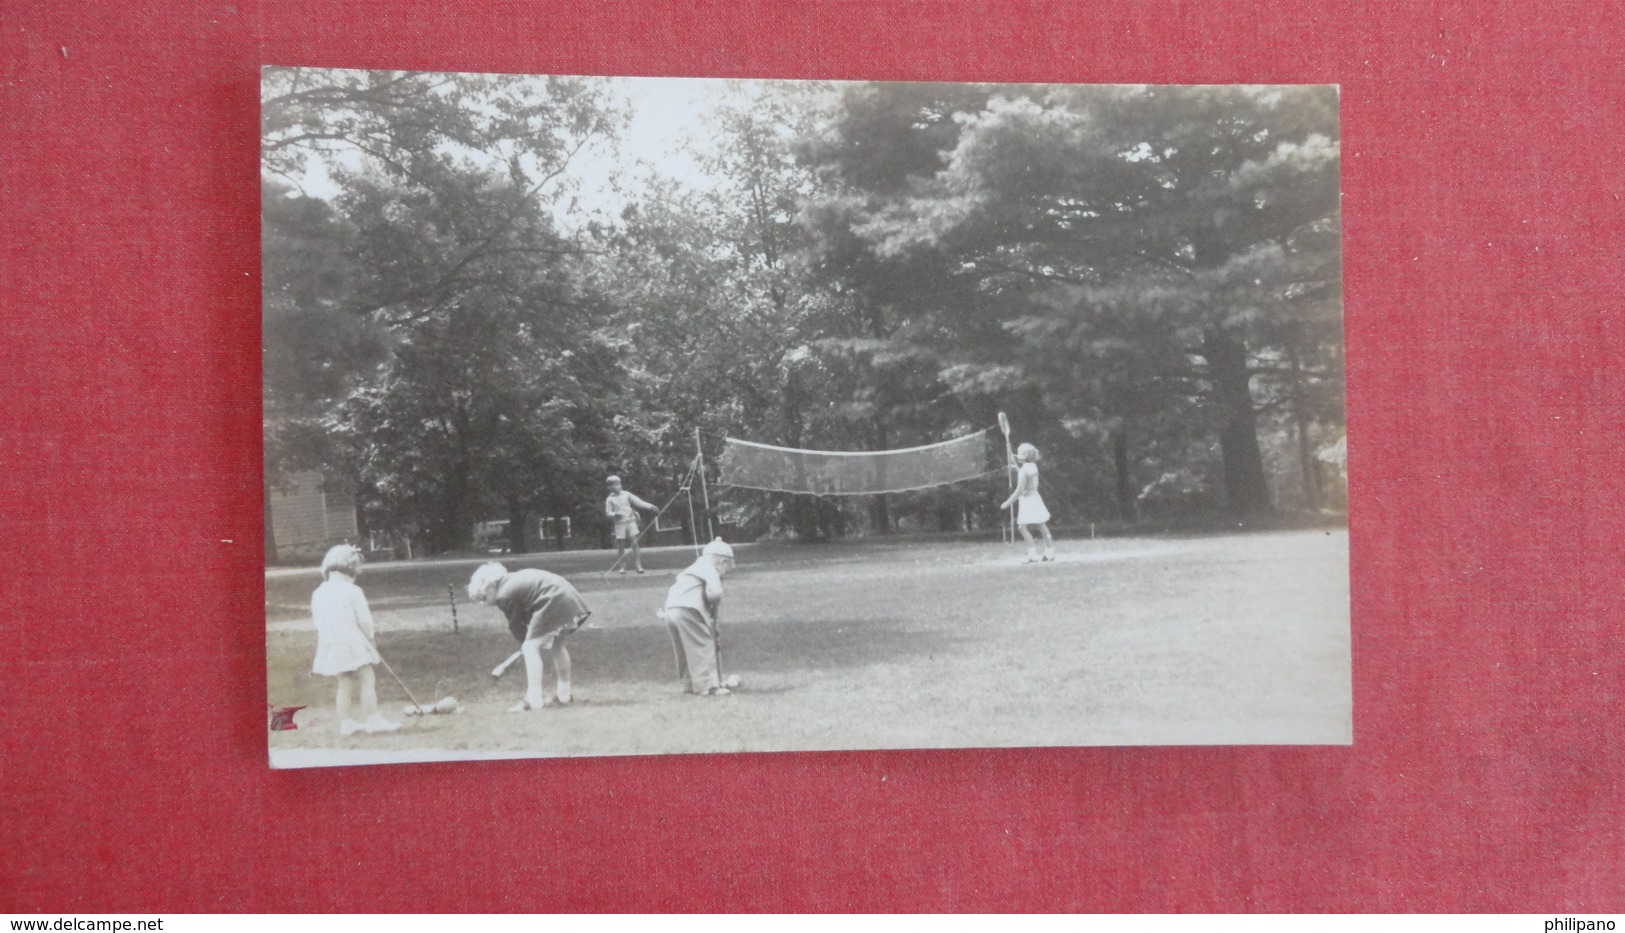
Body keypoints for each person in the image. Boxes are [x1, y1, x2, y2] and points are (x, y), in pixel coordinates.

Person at [468, 562, 592, 713]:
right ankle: (564, 695)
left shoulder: (504, 594)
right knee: (557, 646)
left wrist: (526, 646)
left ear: (491, 586)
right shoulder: (512, 579)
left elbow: (516, 625)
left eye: (484, 597)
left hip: (554, 599)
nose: (485, 603)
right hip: (569, 597)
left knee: (530, 647)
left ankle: (533, 700)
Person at [310, 544, 400, 736]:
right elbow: (365, 620)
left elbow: (318, 620)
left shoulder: (318, 592)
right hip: (353, 641)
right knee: (367, 678)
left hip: (332, 642)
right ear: (351, 571)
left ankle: (347, 724)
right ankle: (373, 719)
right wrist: (370, 638)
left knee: (344, 682)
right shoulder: (353, 591)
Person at [661, 538, 735, 696]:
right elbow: (715, 593)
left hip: (671, 609)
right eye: (726, 569)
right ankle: (708, 686)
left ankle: (689, 684)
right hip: (689, 608)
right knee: (702, 645)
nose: (725, 575)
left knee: (683, 648)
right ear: (721, 562)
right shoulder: (710, 569)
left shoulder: (692, 568)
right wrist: (713, 605)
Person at [1000, 442, 1056, 563]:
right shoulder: (1032, 466)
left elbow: (1019, 491)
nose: (1017, 454)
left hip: (1028, 501)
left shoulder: (1024, 470)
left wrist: (1007, 503)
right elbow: (1023, 471)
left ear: (1025, 455)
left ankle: (1032, 555)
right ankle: (1050, 552)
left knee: (1022, 527)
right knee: (1042, 525)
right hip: (1036, 498)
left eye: (1020, 453)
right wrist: (1014, 461)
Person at [604, 475, 658, 574]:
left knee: (634, 542)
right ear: (609, 488)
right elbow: (608, 513)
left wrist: (650, 506)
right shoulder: (610, 499)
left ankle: (638, 565)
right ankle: (622, 566)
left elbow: (639, 502)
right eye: (614, 485)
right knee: (621, 545)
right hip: (619, 523)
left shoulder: (626, 494)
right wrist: (616, 514)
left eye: (618, 484)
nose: (617, 487)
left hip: (630, 521)